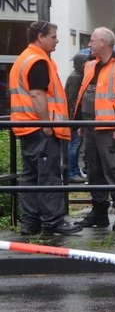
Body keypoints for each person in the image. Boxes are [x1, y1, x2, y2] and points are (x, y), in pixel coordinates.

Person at [8, 21, 82, 236]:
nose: (56, 40)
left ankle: (30, 222)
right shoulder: (38, 61)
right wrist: (47, 124)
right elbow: (38, 95)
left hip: (25, 125)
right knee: (48, 175)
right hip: (40, 128)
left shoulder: (24, 58)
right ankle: (53, 221)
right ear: (40, 37)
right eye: (53, 36)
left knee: (30, 176)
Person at [73, 27, 115, 231]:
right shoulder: (90, 65)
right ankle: (99, 212)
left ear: (104, 43)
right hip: (90, 126)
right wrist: (81, 123)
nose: (89, 44)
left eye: (92, 40)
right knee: (94, 170)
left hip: (109, 127)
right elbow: (84, 95)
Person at [64, 51, 89, 183]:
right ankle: (72, 172)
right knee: (73, 145)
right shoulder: (76, 77)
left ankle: (74, 170)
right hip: (73, 118)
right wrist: (76, 120)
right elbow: (73, 99)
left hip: (74, 117)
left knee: (75, 145)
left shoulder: (78, 76)